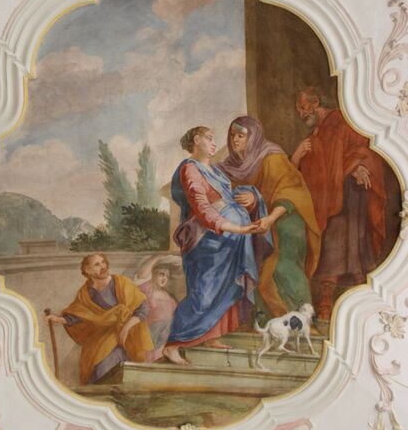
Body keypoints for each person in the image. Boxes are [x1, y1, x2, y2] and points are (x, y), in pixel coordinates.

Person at [163, 126, 272, 365]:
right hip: (207, 241)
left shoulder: (215, 171)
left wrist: (252, 198)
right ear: (196, 140)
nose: (214, 143)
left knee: (226, 288)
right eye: (209, 139)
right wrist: (236, 228)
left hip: (229, 243)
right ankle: (173, 344)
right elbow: (202, 207)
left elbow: (230, 197)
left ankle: (212, 336)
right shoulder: (190, 169)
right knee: (204, 293)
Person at [291, 87, 387, 321]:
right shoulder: (316, 133)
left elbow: (362, 149)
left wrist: (357, 166)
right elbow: (315, 168)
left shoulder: (342, 121)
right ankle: (326, 302)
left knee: (354, 249)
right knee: (331, 249)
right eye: (299, 110)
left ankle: (362, 304)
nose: (301, 114)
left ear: (316, 103)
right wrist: (300, 156)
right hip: (327, 201)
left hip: (351, 196)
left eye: (303, 108)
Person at [219, 116, 321, 320]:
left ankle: (302, 320)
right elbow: (226, 196)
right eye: (232, 135)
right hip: (255, 223)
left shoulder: (271, 156)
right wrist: (253, 200)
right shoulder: (229, 166)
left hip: (284, 218)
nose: (235, 140)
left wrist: (267, 214)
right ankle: (269, 319)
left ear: (254, 137)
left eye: (241, 135)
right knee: (251, 263)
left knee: (282, 267)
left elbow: (290, 191)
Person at [45, 253, 153, 384]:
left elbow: (142, 307)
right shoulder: (85, 292)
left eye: (103, 262)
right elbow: (79, 314)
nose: (103, 266)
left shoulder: (121, 282)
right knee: (94, 370)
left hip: (124, 338)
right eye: (97, 264)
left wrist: (126, 328)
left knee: (109, 368)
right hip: (99, 339)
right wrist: (58, 319)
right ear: (87, 270)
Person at [134, 254, 180, 361]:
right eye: (161, 274)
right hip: (146, 335)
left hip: (163, 341)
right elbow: (142, 275)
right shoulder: (147, 289)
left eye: (167, 276)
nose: (164, 278)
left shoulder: (171, 299)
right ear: (153, 274)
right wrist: (158, 257)